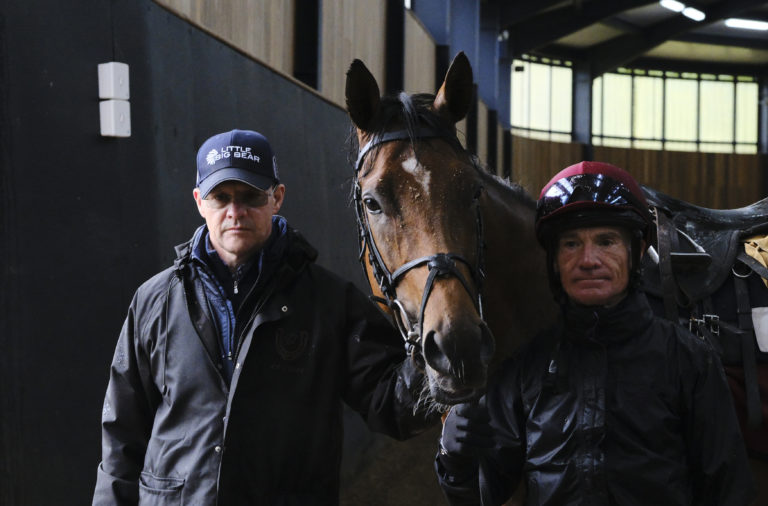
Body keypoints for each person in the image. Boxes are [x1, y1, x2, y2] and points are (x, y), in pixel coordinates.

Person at [92, 129, 435, 505]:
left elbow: (391, 403)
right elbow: (122, 436)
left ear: (277, 198)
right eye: (220, 197)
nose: (235, 213)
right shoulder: (155, 302)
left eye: (251, 197)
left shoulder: (329, 302)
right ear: (199, 202)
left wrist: (438, 354)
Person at [435, 161, 756, 505]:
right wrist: (455, 459)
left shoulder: (688, 360)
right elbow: (483, 497)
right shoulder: (524, 367)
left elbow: (728, 491)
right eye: (571, 244)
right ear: (554, 261)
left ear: (634, 253)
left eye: (606, 241)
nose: (588, 260)